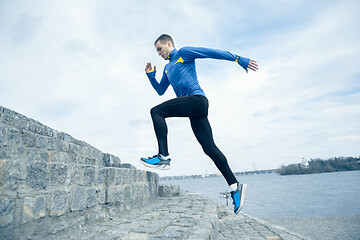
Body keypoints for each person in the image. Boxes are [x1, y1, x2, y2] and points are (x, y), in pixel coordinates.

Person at [140, 34, 258, 214]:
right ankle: (235, 187)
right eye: (156, 50)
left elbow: (211, 52)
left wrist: (237, 59)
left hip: (197, 100)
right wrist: (150, 76)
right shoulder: (167, 69)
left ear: (169, 44)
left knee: (156, 112)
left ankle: (163, 156)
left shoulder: (183, 53)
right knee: (209, 148)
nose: (158, 53)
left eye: (159, 48)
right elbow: (160, 91)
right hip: (193, 110)